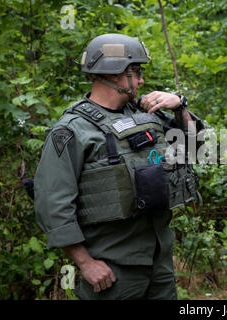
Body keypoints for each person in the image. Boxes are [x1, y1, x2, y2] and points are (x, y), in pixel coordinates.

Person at [34, 33, 203, 300]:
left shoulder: (147, 115)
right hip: (112, 271)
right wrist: (85, 263)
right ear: (114, 74)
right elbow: (52, 203)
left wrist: (180, 107)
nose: (142, 80)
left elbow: (196, 149)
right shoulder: (72, 130)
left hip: (159, 264)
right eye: (136, 72)